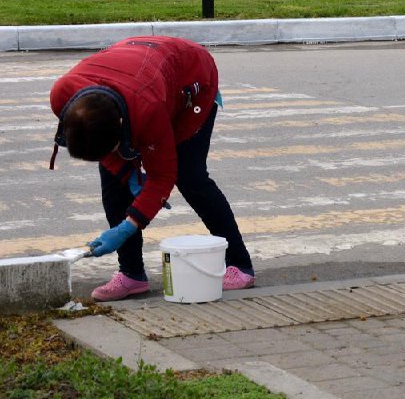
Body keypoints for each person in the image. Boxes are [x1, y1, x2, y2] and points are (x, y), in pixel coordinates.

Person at [49, 36, 256, 301]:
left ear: (122, 124)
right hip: (137, 70)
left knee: (189, 175)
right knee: (113, 180)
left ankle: (240, 264)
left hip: (190, 75)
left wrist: (129, 225)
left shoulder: (148, 109)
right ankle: (131, 274)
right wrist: (127, 173)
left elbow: (163, 177)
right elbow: (109, 156)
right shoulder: (63, 96)